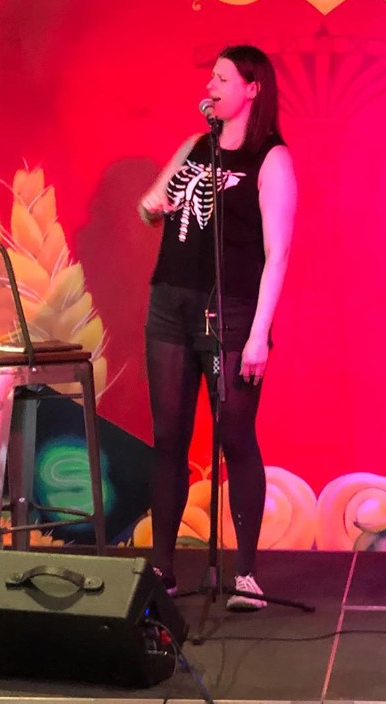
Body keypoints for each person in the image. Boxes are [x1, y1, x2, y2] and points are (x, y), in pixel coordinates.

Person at [138, 44, 296, 610]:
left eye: (223, 78)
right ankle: (162, 570)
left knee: (234, 435)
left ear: (252, 89)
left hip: (231, 309)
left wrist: (258, 334)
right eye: (212, 77)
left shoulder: (271, 158)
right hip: (170, 302)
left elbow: (278, 254)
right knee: (169, 438)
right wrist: (154, 204)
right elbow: (150, 206)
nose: (212, 86)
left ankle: (246, 573)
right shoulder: (195, 146)